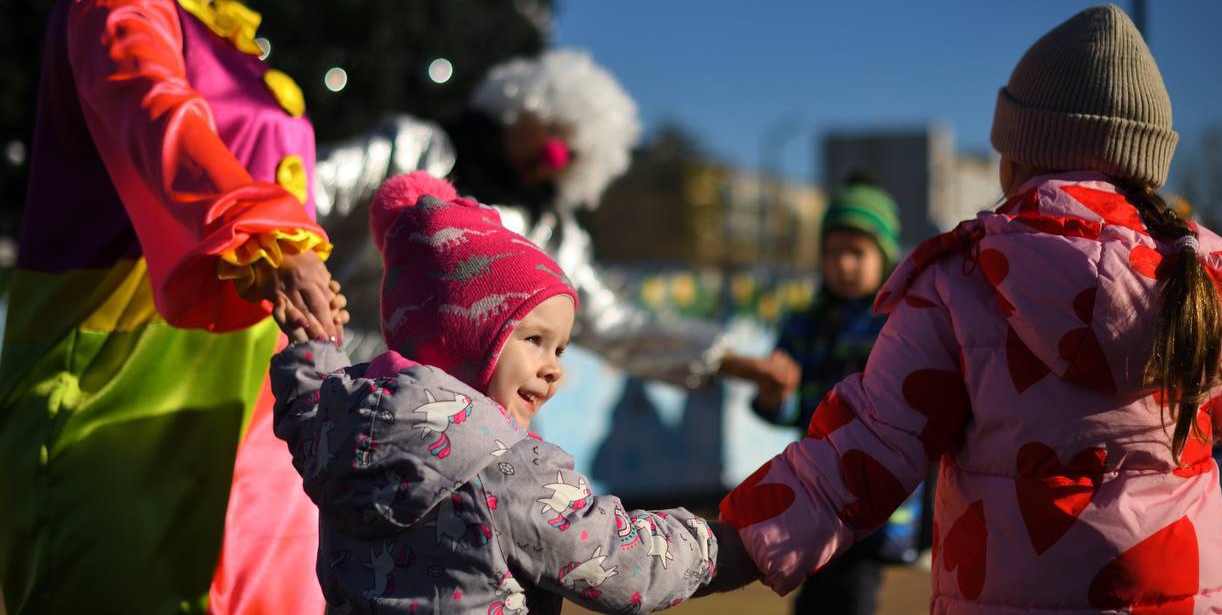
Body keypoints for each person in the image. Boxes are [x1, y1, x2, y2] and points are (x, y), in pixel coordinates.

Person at [715, 5, 1222, 612]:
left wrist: (703, 550)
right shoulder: (1217, 284)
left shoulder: (959, 283)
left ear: (1016, 155)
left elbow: (860, 458)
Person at [0, 0, 345, 611]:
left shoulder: (241, 53)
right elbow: (160, 119)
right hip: (121, 384)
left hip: (255, 411)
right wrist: (273, 237)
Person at [270, 172, 753, 611]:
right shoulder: (503, 469)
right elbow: (625, 565)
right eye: (535, 341)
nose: (553, 370)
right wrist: (733, 544)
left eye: (561, 350)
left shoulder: (337, 426)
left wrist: (314, 340)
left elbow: (305, 400)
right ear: (461, 333)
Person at [314, 49, 727, 385]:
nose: (554, 156)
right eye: (552, 130)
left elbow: (611, 325)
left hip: (475, 421)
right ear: (522, 106)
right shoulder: (415, 149)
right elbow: (306, 189)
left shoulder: (552, 230)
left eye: (573, 152)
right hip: (346, 385)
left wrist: (728, 359)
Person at [719, 180, 914, 613]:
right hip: (816, 486)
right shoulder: (804, 323)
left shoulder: (902, 322)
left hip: (876, 490)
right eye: (833, 252)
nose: (843, 264)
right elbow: (787, 412)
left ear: (884, 257)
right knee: (812, 600)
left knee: (853, 595)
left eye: (857, 252)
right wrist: (776, 393)